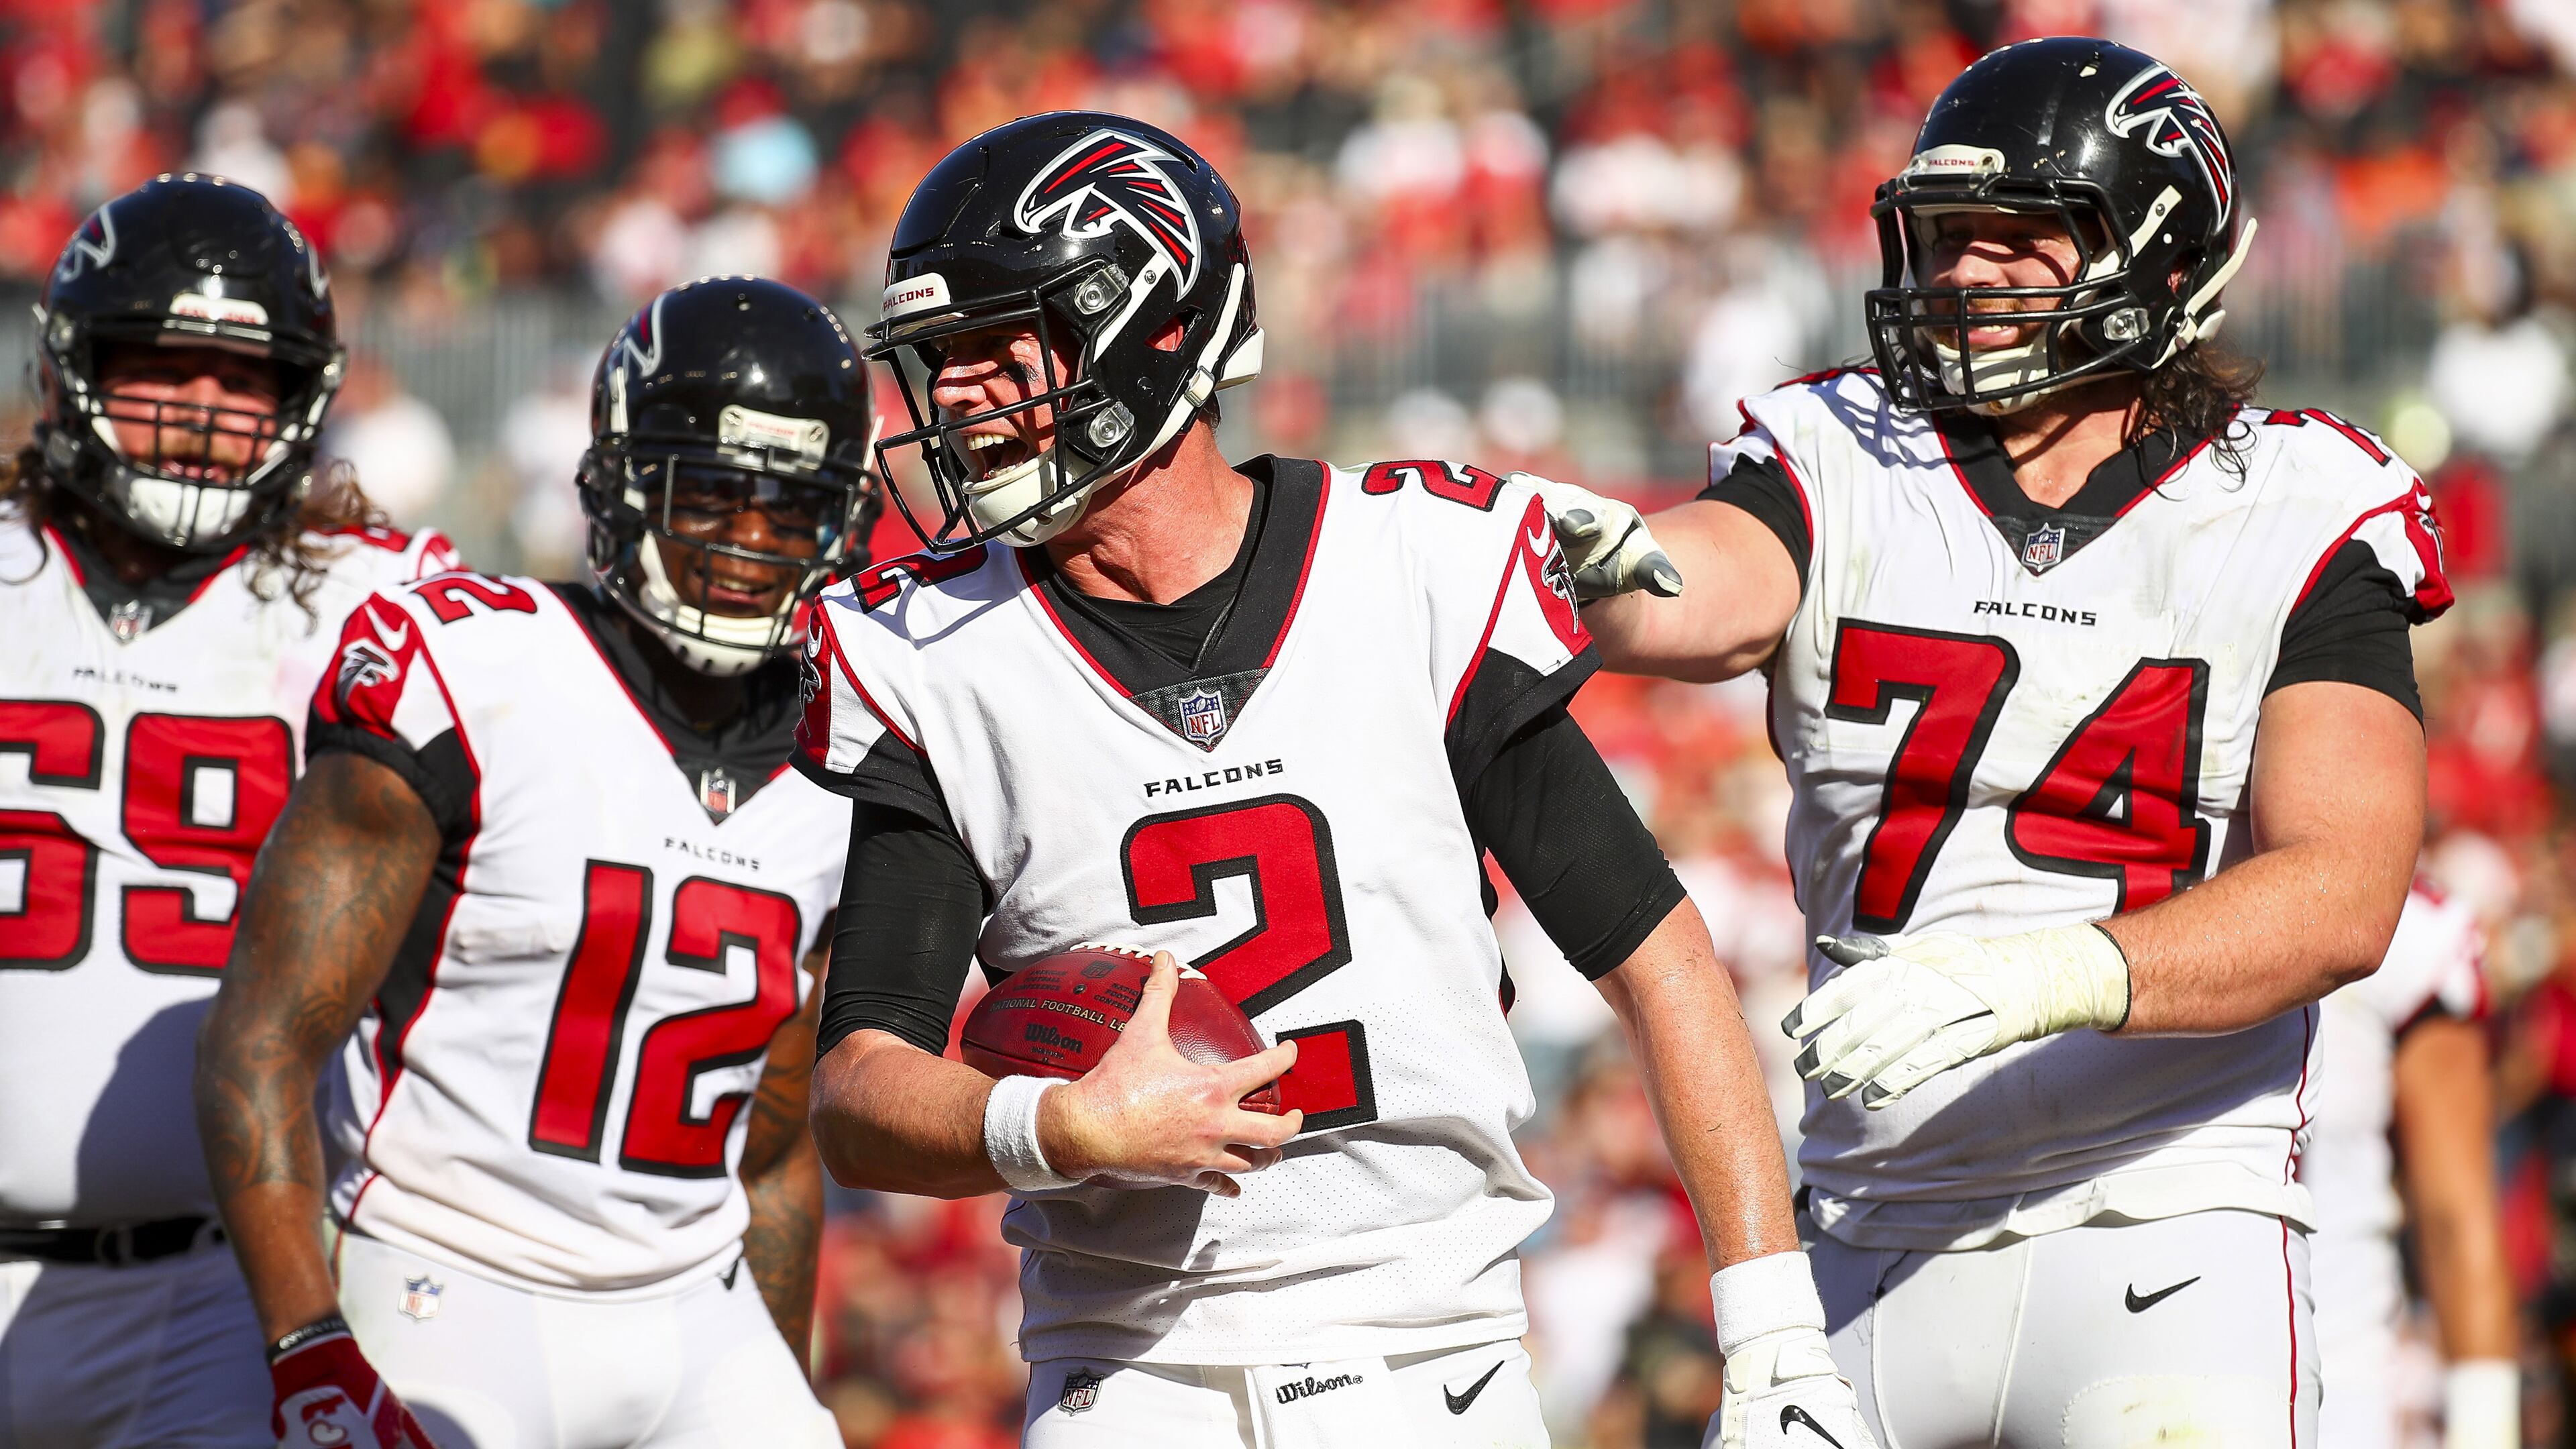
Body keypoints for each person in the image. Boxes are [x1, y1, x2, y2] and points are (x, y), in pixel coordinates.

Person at [796, 111, 1872, 1449]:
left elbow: (1661, 965)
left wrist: (1771, 1335)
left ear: (1153, 326)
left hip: (1433, 1361)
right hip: (1127, 1376)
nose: (951, 399)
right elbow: (858, 1088)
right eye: (937, 362)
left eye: (993, 349)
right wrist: (1059, 1124)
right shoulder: (935, 654)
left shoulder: (1414, 566)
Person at [1544, 38, 2449, 1446]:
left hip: (2167, 1224)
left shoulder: (2295, 502)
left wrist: (2049, 976)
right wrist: (1607, 570)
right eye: (1947, 238)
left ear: (2157, 255)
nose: (1964, 275)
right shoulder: (1848, 449)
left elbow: (2344, 892)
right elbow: (1704, 594)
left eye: (2017, 240)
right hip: (1867, 1232)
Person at [195, 276, 874, 1449]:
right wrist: (308, 1348)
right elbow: (260, 1045)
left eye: (790, 508)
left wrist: (781, 1372)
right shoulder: (473, 670)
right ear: (623, 484)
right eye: (712, 492)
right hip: (450, 1285)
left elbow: (771, 1150)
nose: (749, 542)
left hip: (696, 1305)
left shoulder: (850, 743)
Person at [0, 173, 452, 1449]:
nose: (203, 409)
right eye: (163, 365)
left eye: (242, 379)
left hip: (212, 1295)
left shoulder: (379, 605)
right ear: (73, 369)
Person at [2304, 883, 2518, 1449]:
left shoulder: (2409, 932)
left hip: (2334, 1385)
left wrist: (2485, 1426)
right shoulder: (2096, 875)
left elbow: (2456, 1213)